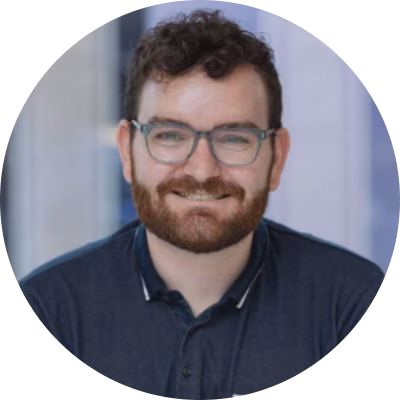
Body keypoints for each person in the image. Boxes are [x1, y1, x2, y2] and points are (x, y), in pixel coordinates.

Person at [18, 9, 384, 399]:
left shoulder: (353, 305)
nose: (202, 170)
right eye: (170, 135)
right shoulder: (48, 311)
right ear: (127, 150)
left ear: (277, 157)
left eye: (234, 138)